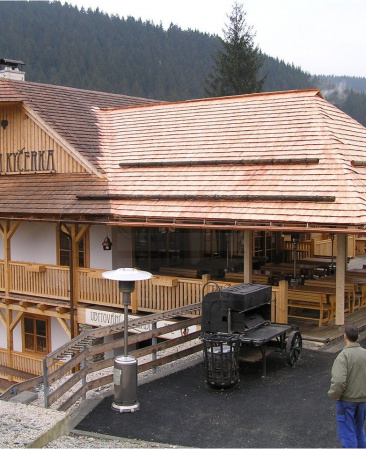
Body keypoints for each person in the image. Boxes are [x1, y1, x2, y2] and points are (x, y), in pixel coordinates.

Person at [328, 324, 366, 448]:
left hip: (347, 400)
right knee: (359, 430)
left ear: (345, 336)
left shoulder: (343, 356)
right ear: (359, 336)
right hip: (362, 400)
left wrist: (334, 394)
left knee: (347, 433)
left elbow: (339, 380)